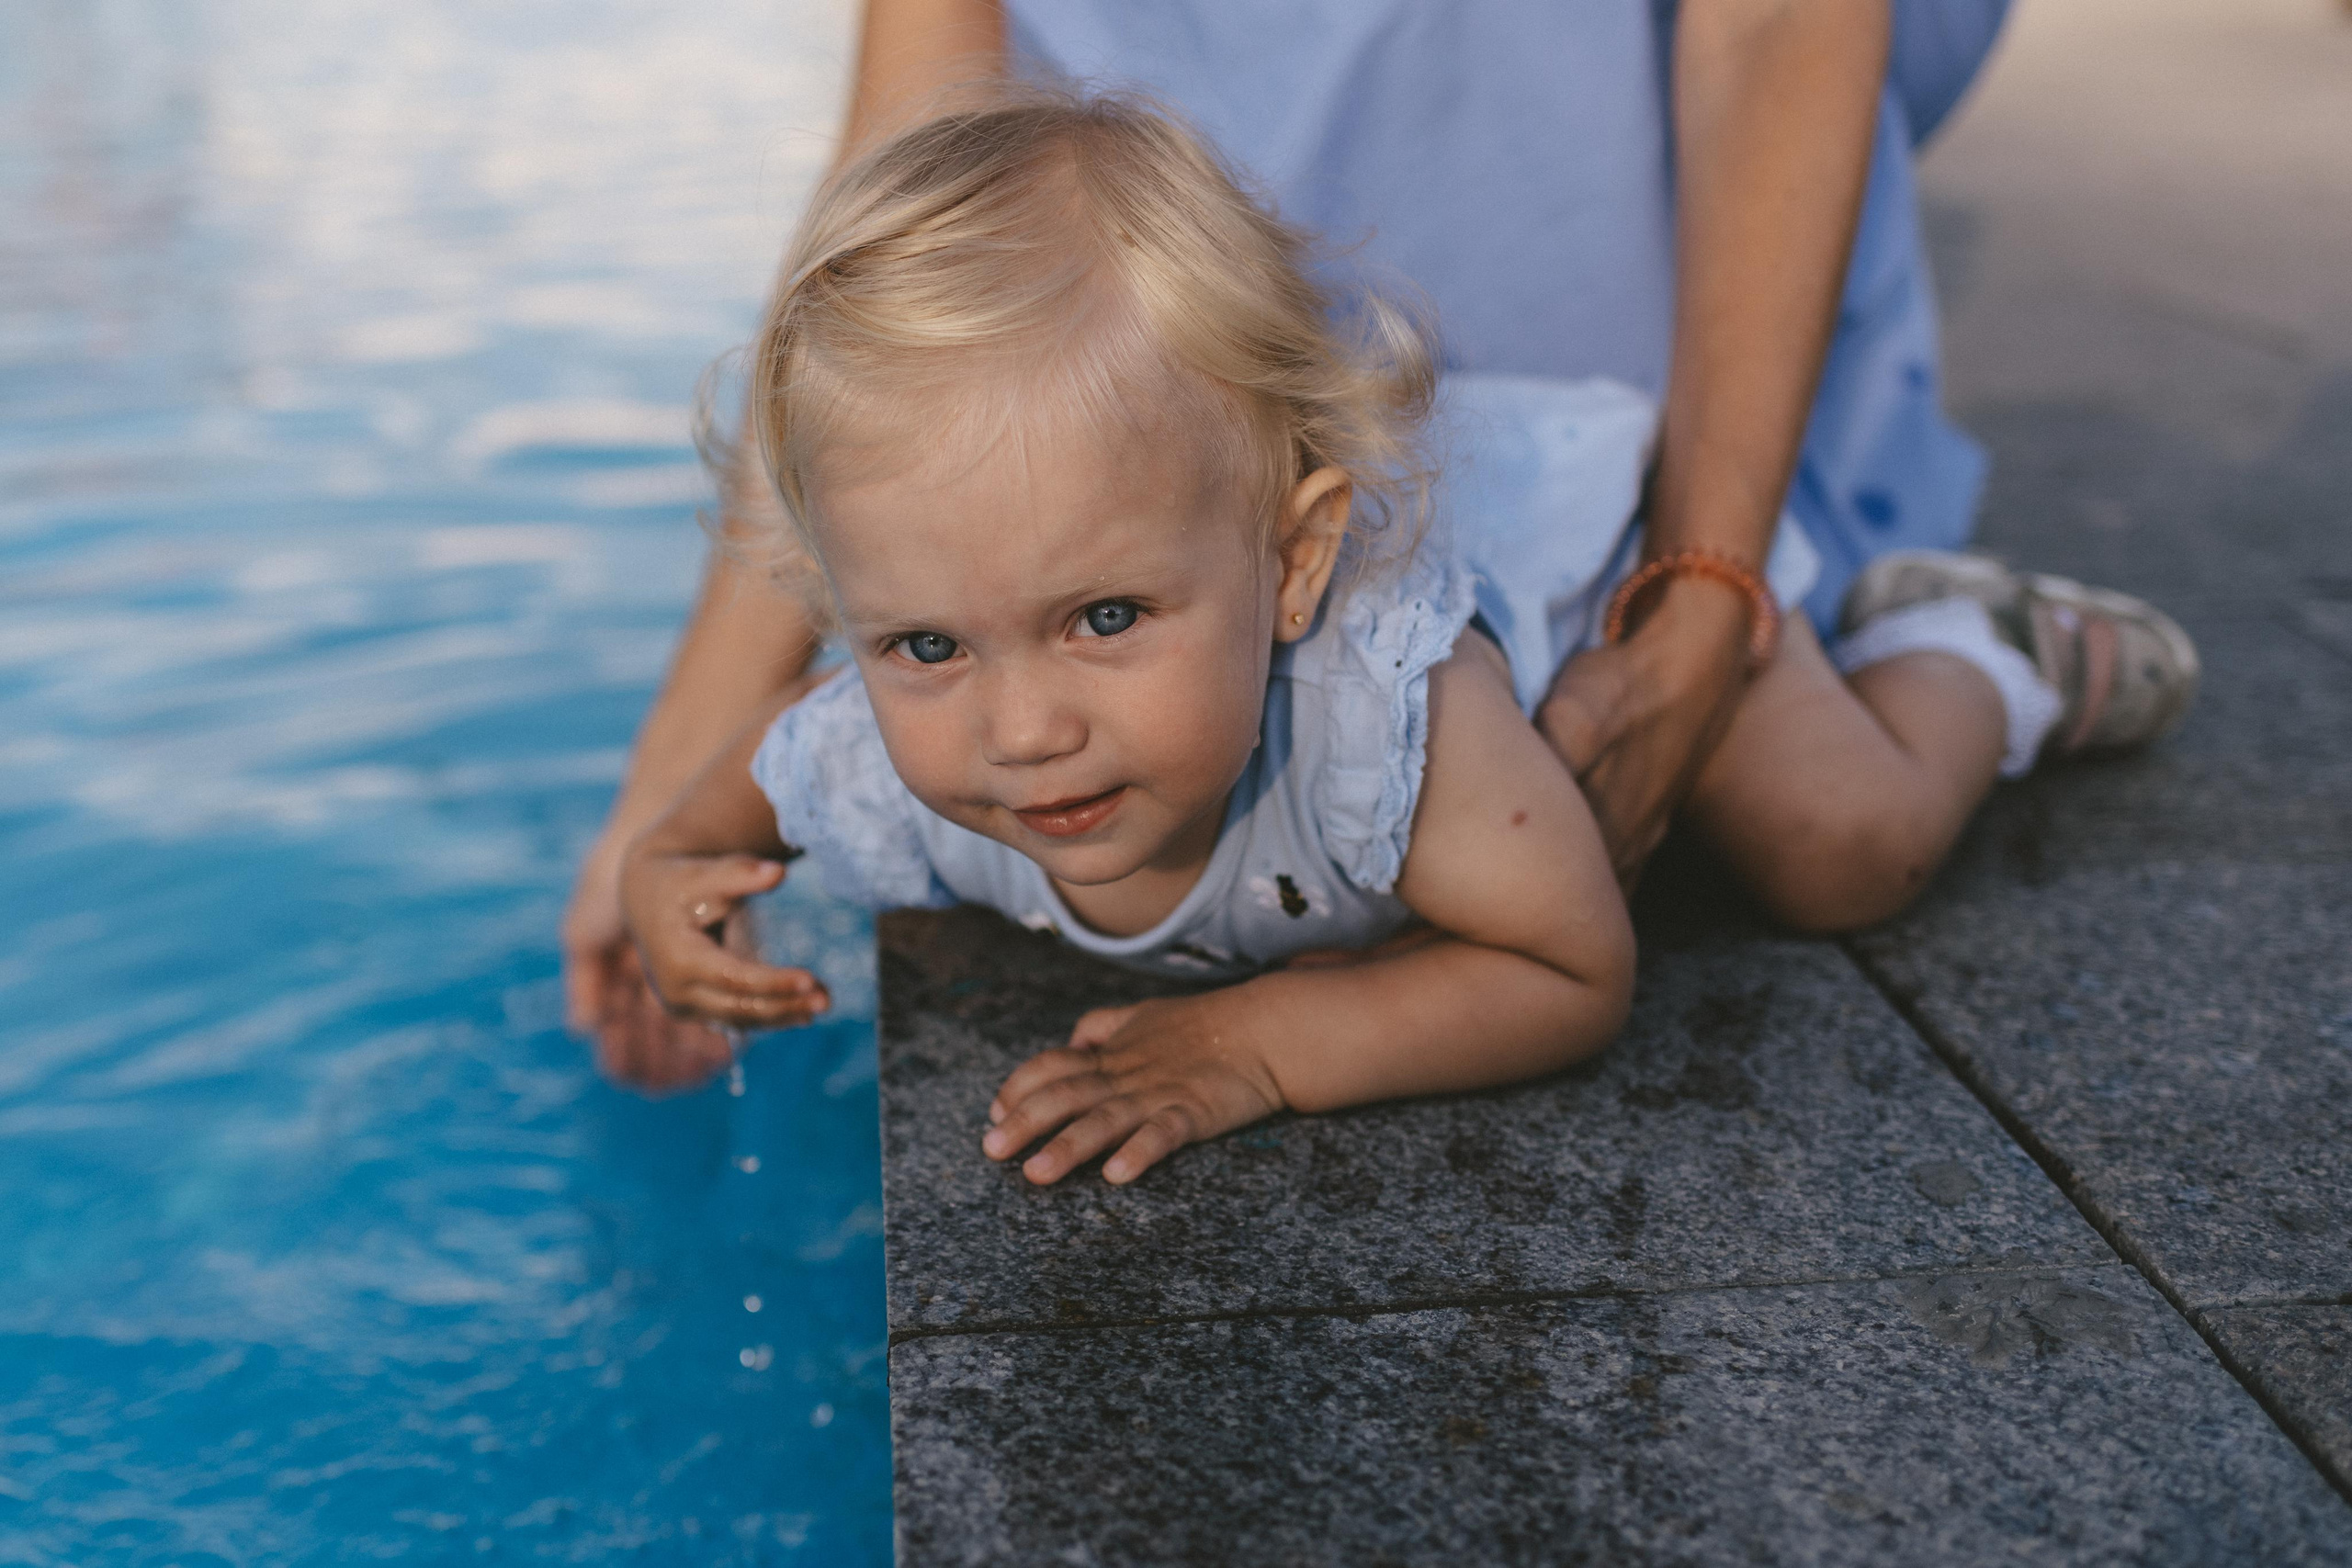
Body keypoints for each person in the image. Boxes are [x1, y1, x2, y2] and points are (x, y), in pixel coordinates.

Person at [613, 90, 2194, 1184]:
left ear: (1295, 567)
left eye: (1104, 618)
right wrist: (672, 875)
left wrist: (1260, 1046)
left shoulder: (1386, 719)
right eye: (925, 648)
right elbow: (743, 796)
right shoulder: (893, 743)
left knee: (1834, 847)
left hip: (1607, 555)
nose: (1019, 731)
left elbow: (1572, 965)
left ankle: (1980, 652)